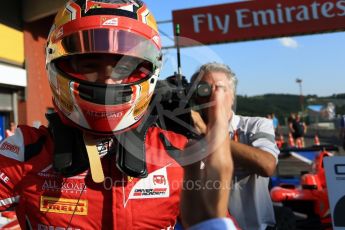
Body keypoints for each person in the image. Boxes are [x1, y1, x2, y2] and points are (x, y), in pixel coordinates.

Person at [0, 1, 235, 229]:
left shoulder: (180, 156)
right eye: (89, 63)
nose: (108, 79)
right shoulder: (22, 154)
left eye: (126, 66)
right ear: (56, 62)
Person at [190, 62, 280, 230]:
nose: (213, 97)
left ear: (232, 95)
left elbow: (267, 165)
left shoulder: (255, 126)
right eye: (205, 90)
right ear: (195, 97)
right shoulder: (186, 134)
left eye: (220, 88)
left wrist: (207, 134)